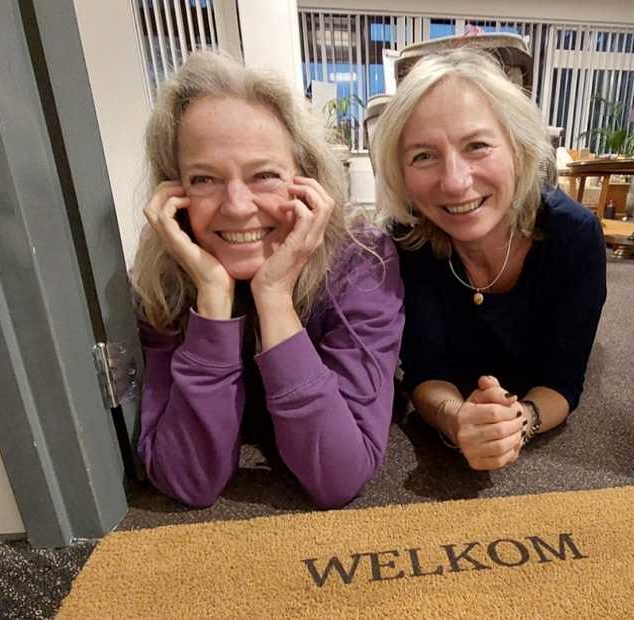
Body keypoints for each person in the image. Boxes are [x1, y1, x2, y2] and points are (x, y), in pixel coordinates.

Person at [130, 52, 404, 509]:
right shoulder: (165, 273)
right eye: (204, 179)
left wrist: (274, 296)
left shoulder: (361, 258)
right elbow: (190, 480)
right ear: (173, 191)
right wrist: (213, 299)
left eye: (264, 176)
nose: (237, 206)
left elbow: (338, 476)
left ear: (307, 180)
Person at [371, 49, 606, 471]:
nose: (455, 182)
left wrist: (520, 422)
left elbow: (562, 382)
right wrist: (456, 418)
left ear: (517, 150)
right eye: (423, 155)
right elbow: (423, 372)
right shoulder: (404, 242)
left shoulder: (574, 234)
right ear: (399, 172)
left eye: (477, 146)